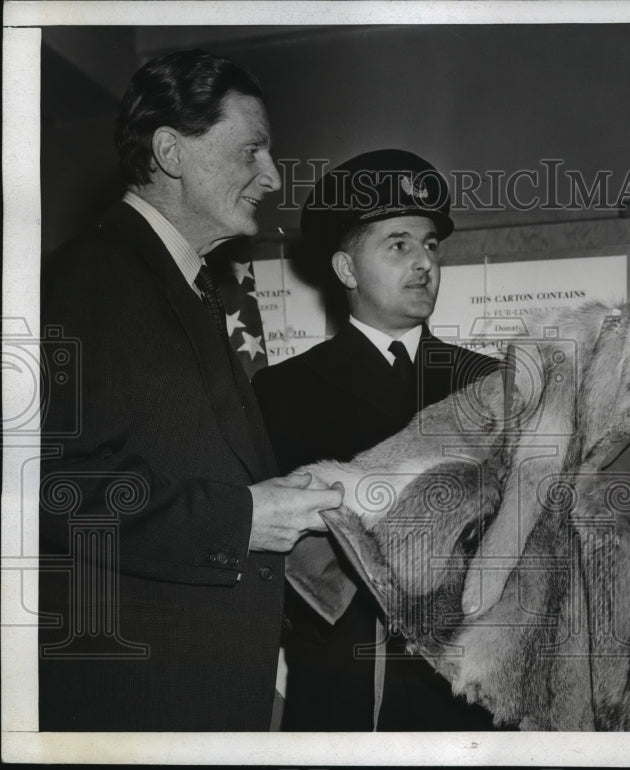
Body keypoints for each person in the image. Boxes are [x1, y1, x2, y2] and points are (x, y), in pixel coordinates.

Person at [38, 49, 344, 731]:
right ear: (172, 152)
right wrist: (240, 520)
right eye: (252, 151)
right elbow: (43, 488)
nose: (270, 176)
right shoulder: (93, 275)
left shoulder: (185, 283)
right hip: (141, 705)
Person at [252, 149, 500, 731]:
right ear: (345, 270)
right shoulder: (283, 390)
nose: (424, 263)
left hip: (465, 694)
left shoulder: (488, 384)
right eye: (398, 245)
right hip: (344, 692)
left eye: (431, 245)